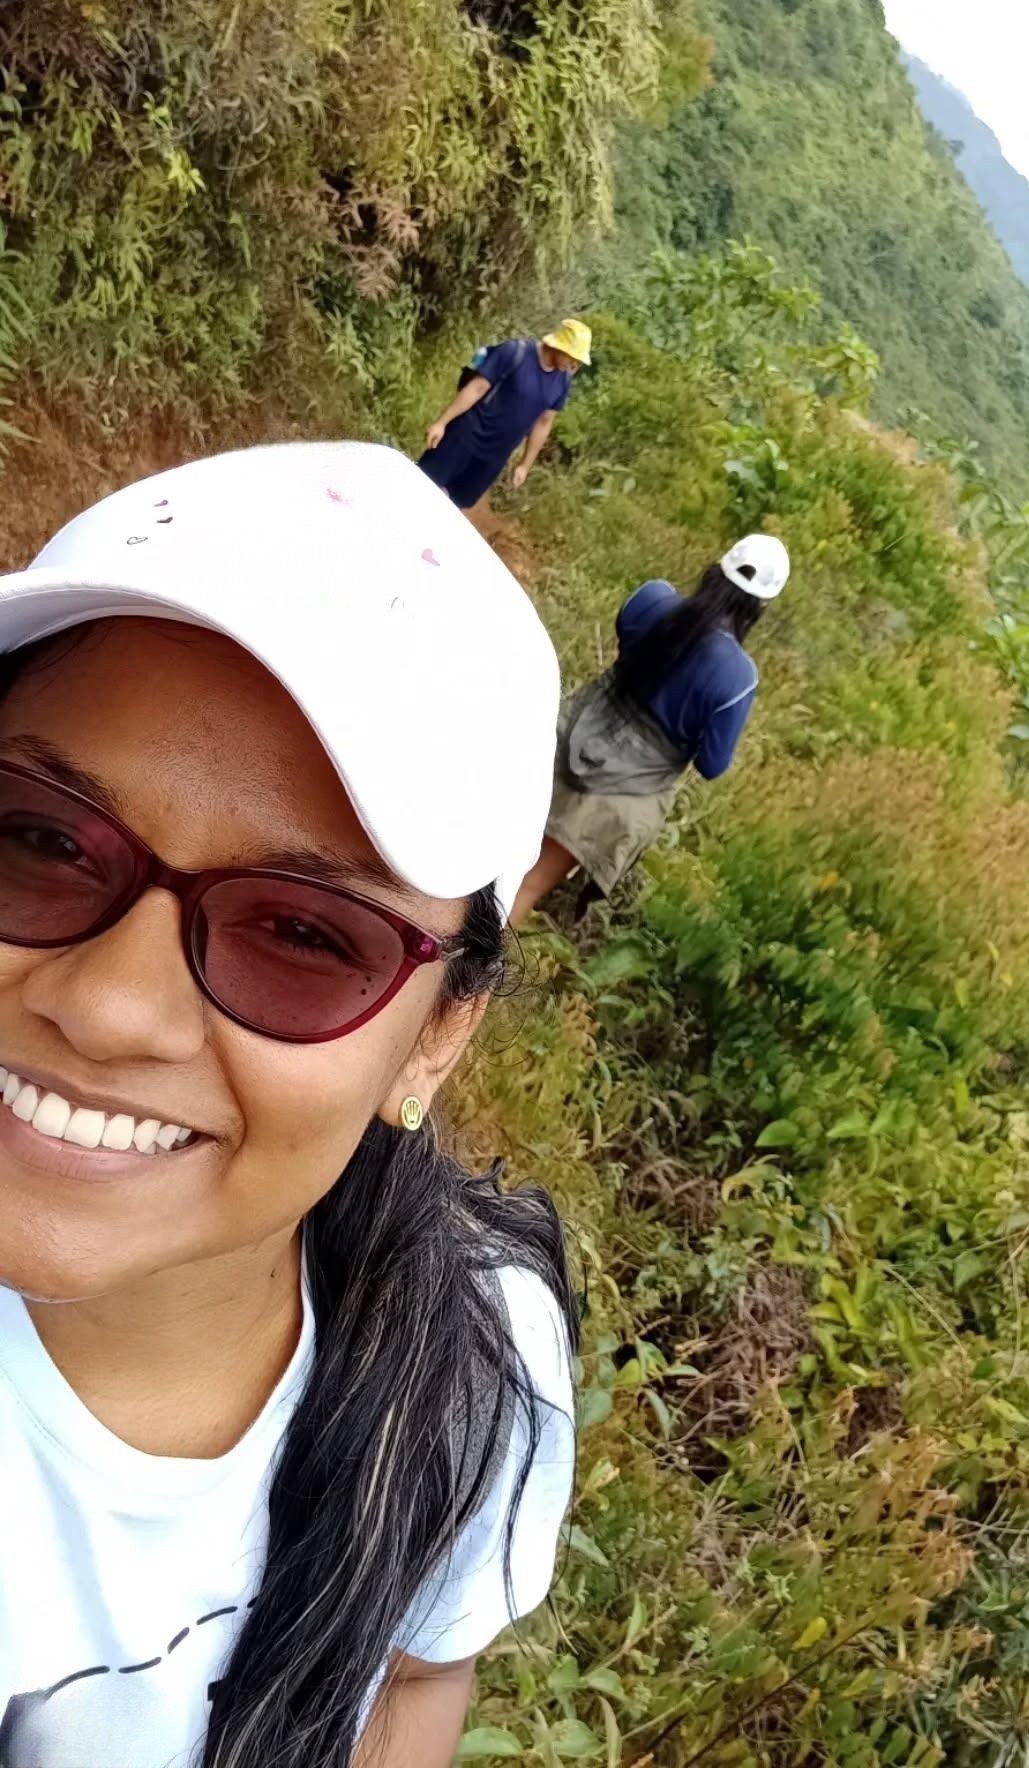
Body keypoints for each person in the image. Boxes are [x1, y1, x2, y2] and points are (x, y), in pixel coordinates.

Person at [0, 442, 575, 1768]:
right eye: (39, 839)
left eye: (307, 937)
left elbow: (413, 1674)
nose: (112, 1007)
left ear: (439, 1038)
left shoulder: (471, 1361)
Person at [510, 534, 790, 925]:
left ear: (717, 568)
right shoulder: (738, 679)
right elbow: (712, 764)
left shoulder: (653, 599)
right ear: (760, 606)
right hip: (620, 794)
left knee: (493, 842)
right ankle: (464, 964)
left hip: (568, 734)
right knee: (527, 885)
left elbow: (625, 633)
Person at [417, 319, 592, 511]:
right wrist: (441, 423)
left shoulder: (563, 382)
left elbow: (544, 422)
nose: (574, 364)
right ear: (559, 347)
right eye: (572, 357)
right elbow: (477, 388)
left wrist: (524, 465)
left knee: (454, 504)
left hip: (495, 456)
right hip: (464, 436)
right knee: (423, 485)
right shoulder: (515, 352)